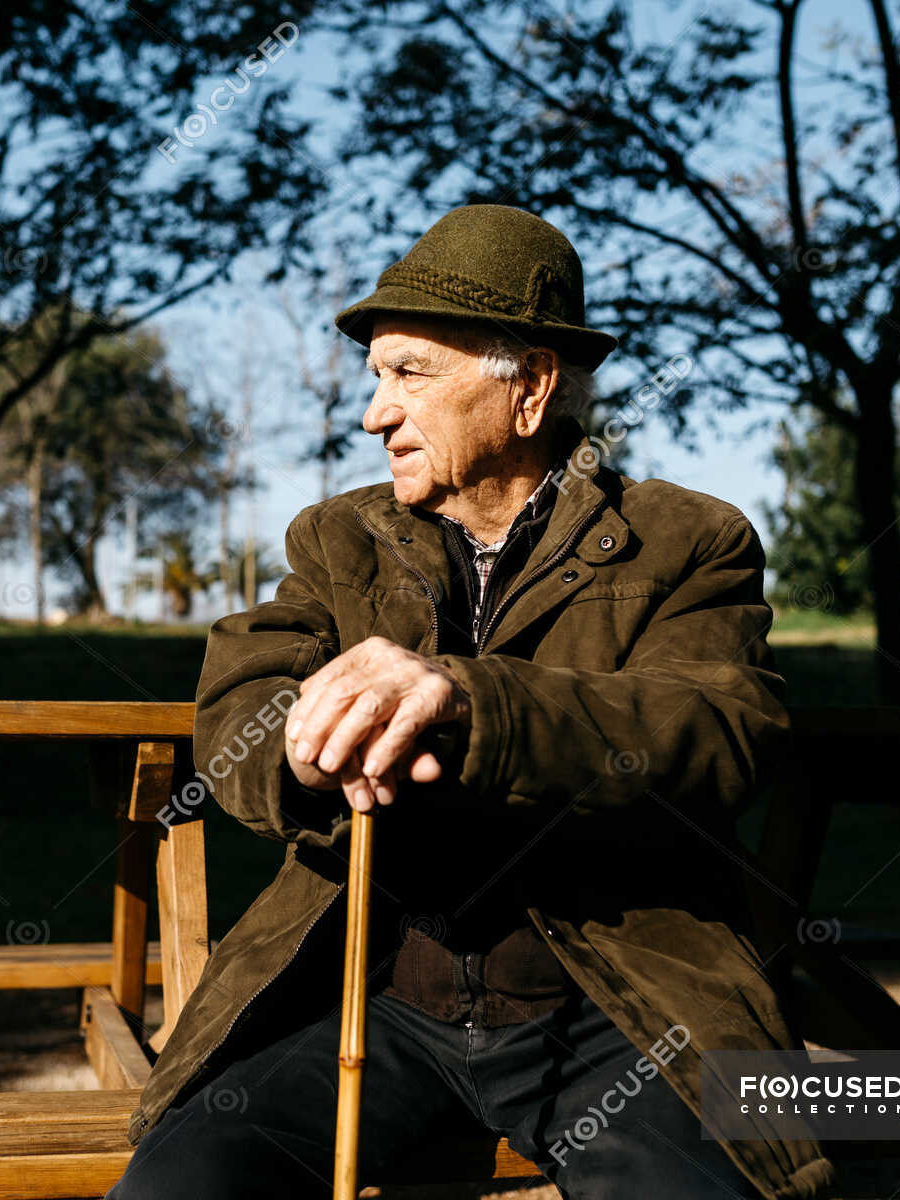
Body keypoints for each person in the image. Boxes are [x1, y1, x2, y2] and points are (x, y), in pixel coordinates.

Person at [109, 204, 834, 1199]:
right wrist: (297, 750)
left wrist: (466, 701)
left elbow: (713, 728)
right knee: (181, 1186)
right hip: (369, 1002)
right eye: (375, 378)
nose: (375, 414)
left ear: (530, 387)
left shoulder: (688, 541)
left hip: (613, 1016)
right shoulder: (338, 539)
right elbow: (243, 694)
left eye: (409, 373)